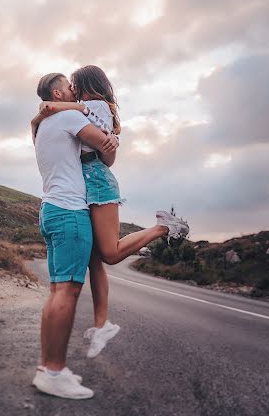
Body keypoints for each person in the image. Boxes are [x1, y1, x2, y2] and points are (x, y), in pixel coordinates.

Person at [33, 65, 190, 359]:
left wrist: (46, 110)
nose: (74, 89)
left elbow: (104, 150)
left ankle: (163, 227)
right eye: (70, 86)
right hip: (87, 183)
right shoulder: (80, 112)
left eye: (75, 84)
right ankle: (101, 324)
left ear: (86, 85)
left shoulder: (91, 106)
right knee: (94, 261)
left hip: (96, 182)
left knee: (110, 253)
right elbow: (106, 150)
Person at [31, 72, 119, 400]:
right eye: (69, 87)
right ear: (58, 91)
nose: (74, 91)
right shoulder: (69, 115)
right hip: (70, 212)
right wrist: (110, 141)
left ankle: (48, 368)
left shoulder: (42, 126)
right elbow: (104, 144)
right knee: (66, 294)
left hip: (51, 210)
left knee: (57, 293)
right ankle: (54, 371)